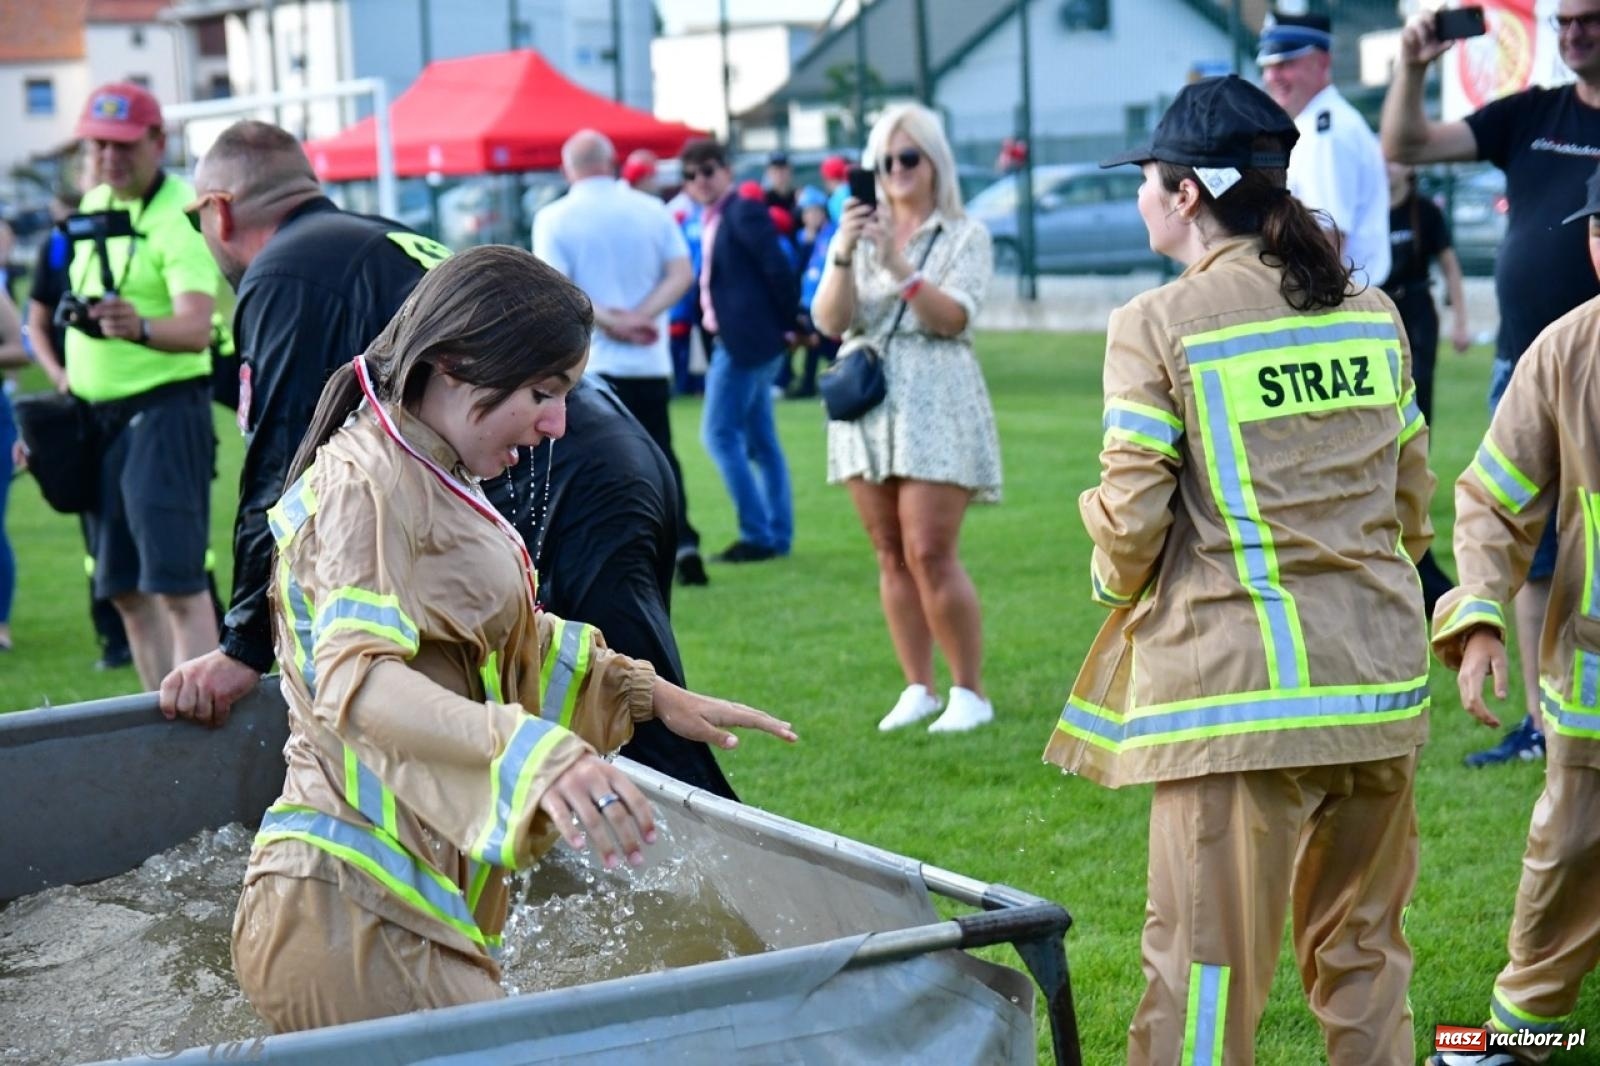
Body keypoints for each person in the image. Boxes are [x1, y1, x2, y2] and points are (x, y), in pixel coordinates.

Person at [230, 246, 795, 1032]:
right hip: (347, 914)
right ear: (454, 366)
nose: (559, 422)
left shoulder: (422, 464)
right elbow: (358, 687)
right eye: (542, 391)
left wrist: (647, 693)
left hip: (390, 905)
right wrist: (534, 752)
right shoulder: (366, 484)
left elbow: (501, 639)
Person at [1047, 76, 1432, 1064]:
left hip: (1236, 707)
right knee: (1366, 961)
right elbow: (1412, 508)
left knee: (1203, 976)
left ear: (1185, 196)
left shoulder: (1156, 321)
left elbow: (1129, 528)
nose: (1141, 194)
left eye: (1147, 178)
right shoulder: (1370, 309)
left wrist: (1101, 552)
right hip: (1378, 687)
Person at [158, 119, 453, 727]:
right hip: (581, 455)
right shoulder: (374, 238)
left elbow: (285, 467)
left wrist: (242, 645)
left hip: (541, 485)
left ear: (220, 211)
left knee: (621, 738)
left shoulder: (286, 271)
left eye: (196, 222)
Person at [1381, 0, 1600, 767]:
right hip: (1526, 370)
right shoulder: (1534, 113)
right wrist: (1411, 67)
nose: (1574, 33)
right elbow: (1407, 141)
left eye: (1590, 19)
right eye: (1564, 22)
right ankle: (1549, 725)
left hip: (1595, 370)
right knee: (1534, 552)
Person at [1426, 163, 1600, 1066]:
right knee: (1568, 851)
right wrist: (1483, 613)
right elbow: (1492, 499)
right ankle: (1518, 1039)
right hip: (1595, 686)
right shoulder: (1566, 353)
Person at [811, 104, 1000, 735]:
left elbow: (952, 319)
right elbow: (830, 322)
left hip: (937, 399)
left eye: (908, 158)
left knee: (929, 550)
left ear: (934, 162)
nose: (895, 171)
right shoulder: (858, 236)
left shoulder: (965, 234)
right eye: (883, 162)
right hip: (869, 401)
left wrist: (897, 264)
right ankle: (917, 685)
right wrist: (844, 251)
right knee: (889, 552)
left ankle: (969, 692)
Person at [484, 378, 738, 799]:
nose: (556, 421)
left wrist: (644, 691)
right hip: (611, 450)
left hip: (591, 479)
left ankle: (724, 856)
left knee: (645, 746)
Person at [64, 82, 222, 691]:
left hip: (162, 414)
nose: (109, 157)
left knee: (176, 584)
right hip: (98, 420)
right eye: (99, 144)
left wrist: (142, 327)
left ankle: (202, 730)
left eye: (124, 144)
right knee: (126, 591)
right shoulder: (98, 202)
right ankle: (158, 724)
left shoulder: (178, 216)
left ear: (158, 141)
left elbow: (195, 328)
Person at [533, 130, 707, 587]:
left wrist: (609, 321)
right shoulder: (651, 211)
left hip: (588, 364)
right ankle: (682, 542)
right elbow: (682, 272)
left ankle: (602, 552)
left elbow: (557, 288)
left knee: (591, 463)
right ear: (613, 162)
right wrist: (642, 315)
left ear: (567, 168)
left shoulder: (554, 218)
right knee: (660, 453)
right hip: (649, 357)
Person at [25, 175, 132, 671]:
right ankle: (113, 638)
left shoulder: (140, 231)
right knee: (97, 531)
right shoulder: (58, 244)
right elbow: (38, 319)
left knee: (171, 544)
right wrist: (57, 373)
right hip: (86, 409)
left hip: (149, 403)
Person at [679, 138, 796, 563]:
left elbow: (779, 268)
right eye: (690, 175)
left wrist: (786, 324)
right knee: (762, 442)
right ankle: (775, 536)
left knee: (719, 435)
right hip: (742, 340)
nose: (700, 181)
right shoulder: (713, 217)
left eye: (707, 170)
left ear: (727, 170)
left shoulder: (742, 209)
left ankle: (758, 535)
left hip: (746, 343)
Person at [1384, 160, 1471, 618]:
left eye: (1396, 158)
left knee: (1418, 416)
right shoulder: (1368, 209)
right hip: (1380, 311)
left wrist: (1461, 320)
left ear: (1411, 169)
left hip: (1416, 313)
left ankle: (1413, 515)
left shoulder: (1425, 213)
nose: (1386, 166)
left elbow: (1451, 267)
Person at [1258, 10, 1391, 287]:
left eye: (1286, 63)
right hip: (1346, 297)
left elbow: (1328, 238)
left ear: (1323, 61)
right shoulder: (1316, 123)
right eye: (1267, 65)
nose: (1272, 76)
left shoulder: (1327, 133)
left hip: (1339, 297)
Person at [790, 184, 838, 399]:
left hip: (827, 297)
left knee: (821, 343)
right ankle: (809, 382)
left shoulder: (834, 234)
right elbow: (799, 269)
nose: (810, 217)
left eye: (813, 211)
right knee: (813, 342)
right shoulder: (802, 238)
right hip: (807, 299)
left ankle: (819, 381)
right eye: (806, 213)